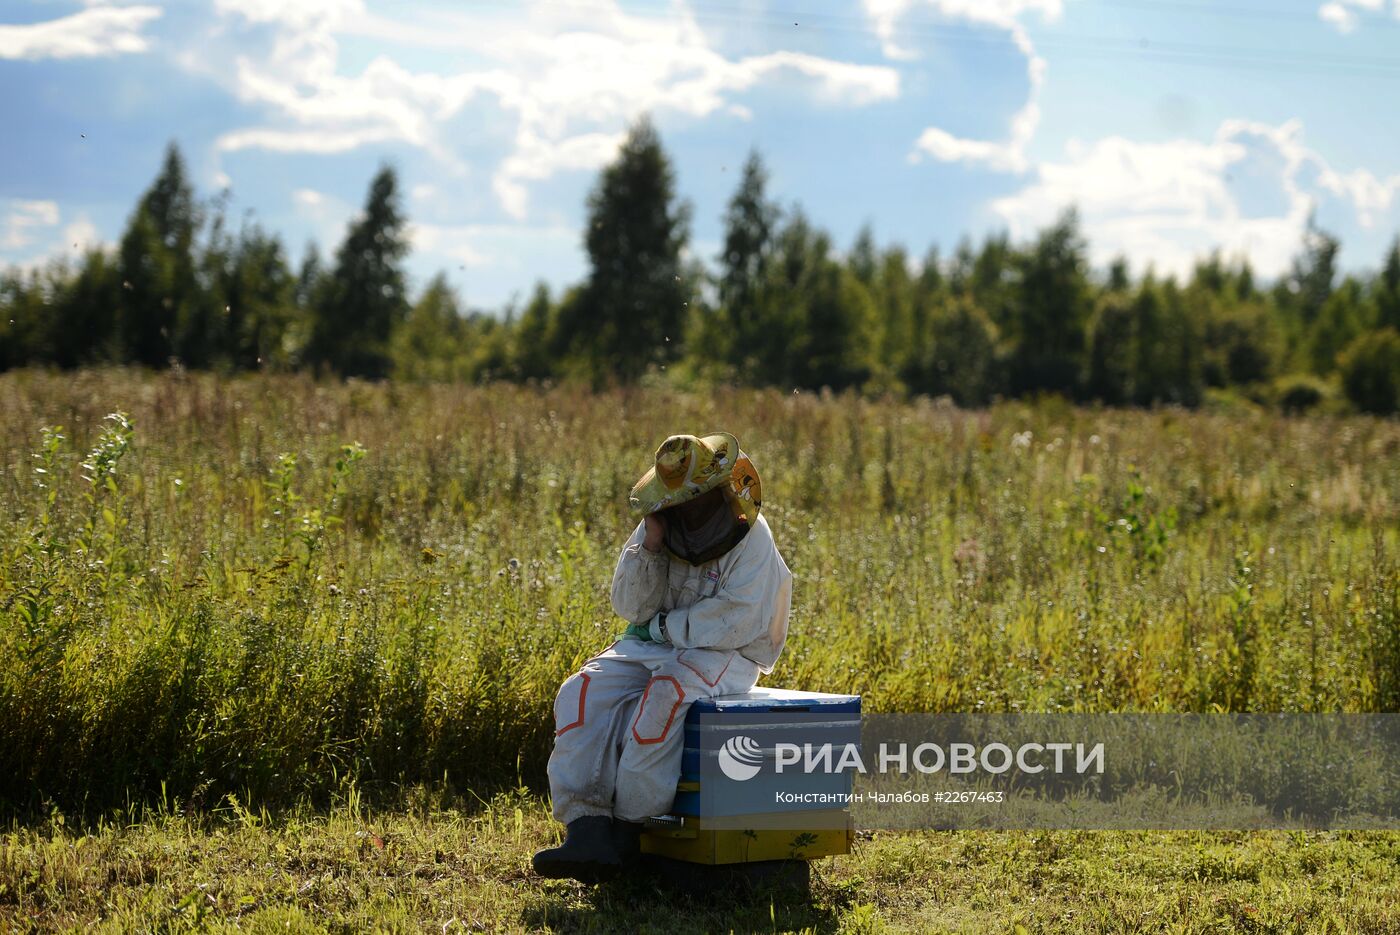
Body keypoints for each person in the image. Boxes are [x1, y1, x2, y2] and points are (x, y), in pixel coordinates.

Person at [532, 432, 793, 883]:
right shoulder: (660, 521)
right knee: (581, 691)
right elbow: (631, 607)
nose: (685, 511)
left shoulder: (753, 540)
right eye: (678, 501)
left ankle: (630, 833)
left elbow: (738, 619)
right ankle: (587, 829)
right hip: (654, 644)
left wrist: (665, 629)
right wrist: (651, 542)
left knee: (666, 694)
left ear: (720, 491)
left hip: (729, 653)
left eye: (693, 501)